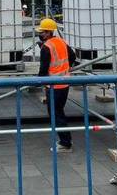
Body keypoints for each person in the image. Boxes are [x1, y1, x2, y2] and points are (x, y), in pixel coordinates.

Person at [37, 18, 76, 152]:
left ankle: (66, 143)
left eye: (42, 32)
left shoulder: (46, 47)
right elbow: (72, 56)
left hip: (54, 86)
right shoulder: (61, 41)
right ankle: (65, 140)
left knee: (56, 114)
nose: (40, 34)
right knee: (59, 112)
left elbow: (43, 70)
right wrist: (66, 68)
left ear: (48, 33)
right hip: (65, 83)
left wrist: (38, 82)